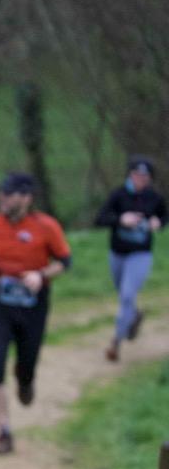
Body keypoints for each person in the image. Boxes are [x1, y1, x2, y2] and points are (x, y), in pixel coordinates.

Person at [0, 171, 71, 454]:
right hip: (1, 304)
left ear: (26, 197)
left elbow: (64, 261)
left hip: (33, 305)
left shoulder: (47, 226)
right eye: (1, 192)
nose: (2, 198)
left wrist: (41, 275)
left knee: (26, 366)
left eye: (8, 193)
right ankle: (4, 431)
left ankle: (25, 381)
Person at [94, 154, 165, 362]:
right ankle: (134, 316)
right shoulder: (118, 195)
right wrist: (120, 220)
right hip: (117, 254)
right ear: (129, 174)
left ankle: (115, 342)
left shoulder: (154, 197)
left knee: (126, 295)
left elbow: (164, 216)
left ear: (150, 178)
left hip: (140, 254)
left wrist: (158, 223)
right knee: (124, 296)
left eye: (144, 176)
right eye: (135, 174)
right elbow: (99, 219)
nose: (139, 179)